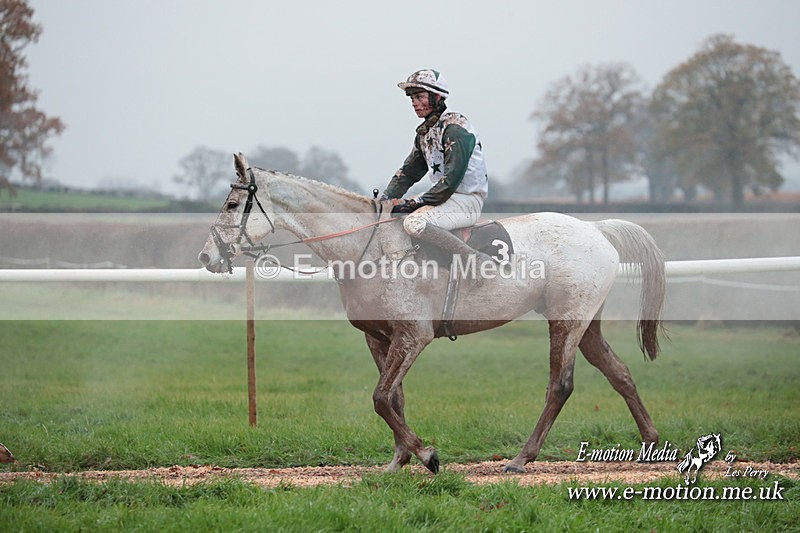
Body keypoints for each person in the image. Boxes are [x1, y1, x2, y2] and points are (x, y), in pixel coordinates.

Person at [383, 69, 492, 263]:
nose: (414, 103)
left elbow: (450, 182)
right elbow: (408, 174)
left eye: (419, 97)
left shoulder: (455, 128)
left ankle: (474, 260)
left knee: (414, 222)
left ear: (437, 97)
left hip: (466, 200)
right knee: (391, 217)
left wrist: (414, 203)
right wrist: (384, 200)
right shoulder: (425, 133)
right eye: (411, 98)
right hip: (445, 199)